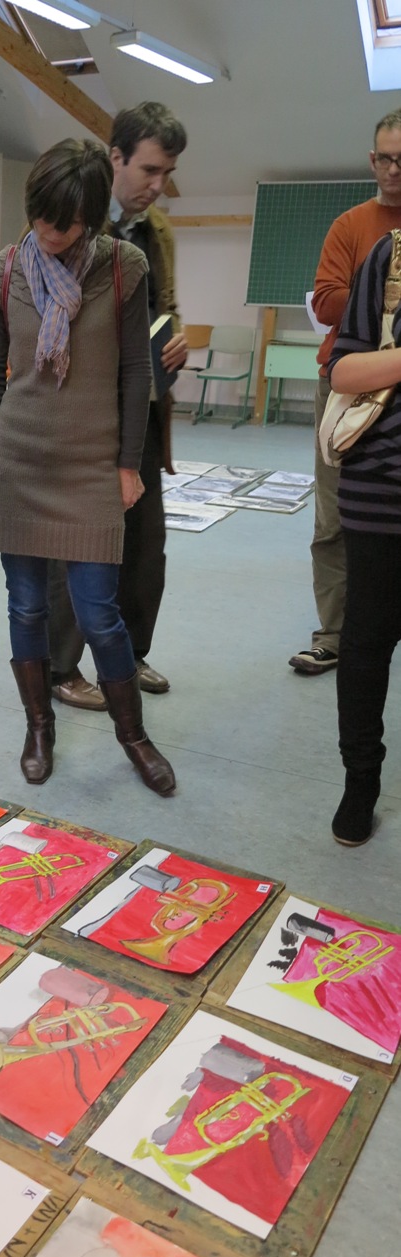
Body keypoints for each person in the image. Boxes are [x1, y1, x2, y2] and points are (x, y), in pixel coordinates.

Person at [0, 138, 175, 797]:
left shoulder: (122, 269)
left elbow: (136, 370)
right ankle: (39, 728)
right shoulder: (2, 274)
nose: (50, 235)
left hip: (90, 467)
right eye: (42, 220)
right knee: (25, 606)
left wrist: (128, 464)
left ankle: (132, 736)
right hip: (19, 461)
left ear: (90, 218)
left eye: (66, 224)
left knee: (98, 612)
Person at [47, 102, 188, 708]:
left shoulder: (158, 232)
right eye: (150, 170)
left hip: (144, 413)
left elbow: (165, 307)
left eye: (167, 173)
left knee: (144, 545)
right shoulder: (72, 220)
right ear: (116, 158)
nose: (158, 185)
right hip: (83, 416)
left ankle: (127, 658)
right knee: (77, 543)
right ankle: (58, 667)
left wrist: (174, 339)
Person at [288, 107, 401, 678]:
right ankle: (334, 633)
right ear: (372, 160)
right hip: (348, 389)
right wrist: (383, 274)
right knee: (334, 516)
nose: (394, 170)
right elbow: (327, 301)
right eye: (386, 159)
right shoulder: (351, 225)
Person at [325, 231, 401, 845]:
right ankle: (361, 782)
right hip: (382, 485)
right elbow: (343, 370)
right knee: (367, 640)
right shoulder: (391, 254)